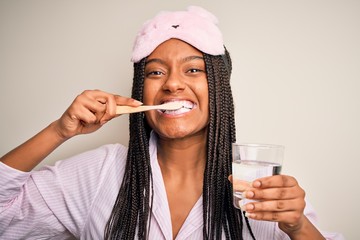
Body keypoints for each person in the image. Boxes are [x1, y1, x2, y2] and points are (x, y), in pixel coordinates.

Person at [0, 6, 343, 240]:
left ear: (220, 88)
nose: (172, 84)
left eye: (193, 69)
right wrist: (59, 131)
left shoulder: (259, 188)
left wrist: (297, 226)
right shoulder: (100, 171)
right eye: (155, 72)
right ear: (140, 90)